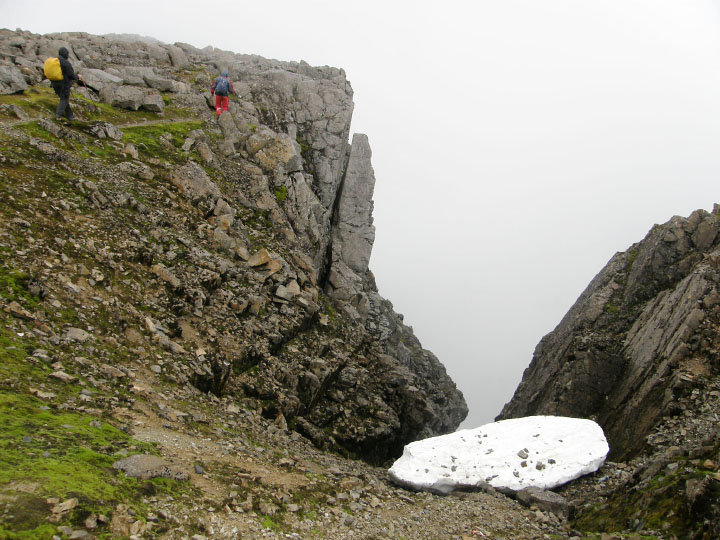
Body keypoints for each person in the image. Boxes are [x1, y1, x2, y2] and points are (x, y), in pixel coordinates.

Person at [51, 47, 81, 121]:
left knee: (64, 99)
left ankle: (70, 116)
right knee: (64, 99)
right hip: (63, 84)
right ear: (66, 54)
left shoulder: (55, 61)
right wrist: (78, 76)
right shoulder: (65, 63)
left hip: (54, 83)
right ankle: (58, 114)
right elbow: (71, 75)